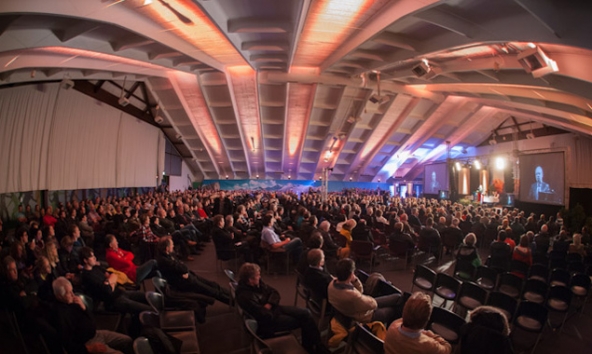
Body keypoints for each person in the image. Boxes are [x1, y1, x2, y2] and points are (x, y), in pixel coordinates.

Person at [235, 262, 326, 354]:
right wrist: (271, 304)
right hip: (267, 323)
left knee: (306, 313)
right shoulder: (244, 296)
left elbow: (274, 292)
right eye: (258, 275)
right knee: (305, 320)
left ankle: (313, 347)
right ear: (250, 280)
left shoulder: (256, 284)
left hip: (274, 309)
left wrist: (270, 304)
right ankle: (314, 347)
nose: (260, 277)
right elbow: (264, 316)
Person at [51, 276, 132, 354]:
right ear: (59, 296)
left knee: (128, 340)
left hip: (96, 334)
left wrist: (84, 308)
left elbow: (91, 319)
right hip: (88, 344)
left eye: (72, 291)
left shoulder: (73, 302)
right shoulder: (60, 315)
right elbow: (68, 345)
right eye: (69, 293)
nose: (73, 295)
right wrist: (88, 348)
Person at [327, 258, 404, 326]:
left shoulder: (332, 284)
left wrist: (355, 280)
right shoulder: (352, 295)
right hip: (364, 316)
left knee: (398, 297)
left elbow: (360, 292)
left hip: (351, 309)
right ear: (351, 274)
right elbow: (372, 305)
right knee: (393, 309)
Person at [156, 236, 231, 304]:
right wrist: (182, 268)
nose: (173, 246)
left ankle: (231, 294)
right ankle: (233, 302)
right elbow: (184, 267)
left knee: (213, 285)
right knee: (211, 291)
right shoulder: (163, 260)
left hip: (188, 276)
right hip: (183, 283)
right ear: (166, 248)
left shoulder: (169, 255)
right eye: (171, 245)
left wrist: (182, 268)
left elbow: (181, 265)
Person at [79, 247, 152, 315]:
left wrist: (108, 282)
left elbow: (114, 275)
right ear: (85, 260)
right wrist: (111, 281)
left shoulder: (96, 267)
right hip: (113, 301)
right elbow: (107, 290)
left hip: (120, 292)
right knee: (149, 309)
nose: (95, 258)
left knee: (149, 296)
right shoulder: (87, 276)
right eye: (91, 256)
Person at [384, 292, 451, 354]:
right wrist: (429, 333)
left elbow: (406, 318)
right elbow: (447, 348)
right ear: (426, 320)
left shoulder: (393, 326)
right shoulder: (428, 345)